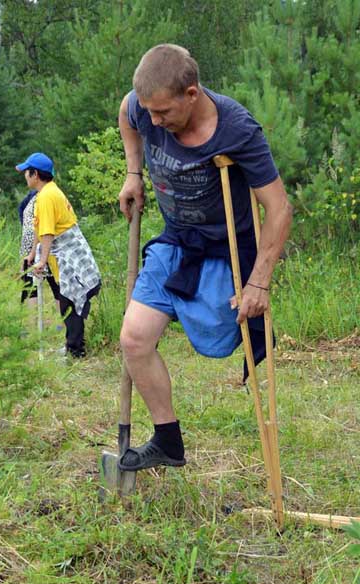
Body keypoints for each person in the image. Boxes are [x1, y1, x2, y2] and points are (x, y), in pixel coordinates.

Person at [117, 44, 293, 472]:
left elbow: (280, 207)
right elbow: (126, 114)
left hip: (223, 247)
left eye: (163, 113)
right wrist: (133, 172)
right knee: (134, 339)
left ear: (191, 94)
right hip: (176, 242)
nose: (155, 121)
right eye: (150, 112)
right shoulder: (141, 108)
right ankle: (168, 441)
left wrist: (258, 282)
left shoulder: (237, 130)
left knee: (216, 341)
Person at [15, 152, 101, 358]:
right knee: (67, 300)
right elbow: (39, 228)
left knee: (70, 301)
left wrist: (42, 261)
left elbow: (48, 233)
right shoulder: (48, 192)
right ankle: (73, 347)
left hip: (70, 254)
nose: (25, 176)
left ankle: (75, 352)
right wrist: (33, 252)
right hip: (64, 254)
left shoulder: (46, 196)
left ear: (35, 174)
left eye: (27, 172)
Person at [18, 189, 61, 308]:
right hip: (48, 244)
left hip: (37, 244)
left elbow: (23, 219)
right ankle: (60, 323)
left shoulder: (33, 200)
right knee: (56, 286)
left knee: (32, 287)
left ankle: (34, 324)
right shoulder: (49, 196)